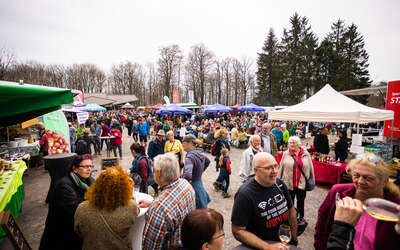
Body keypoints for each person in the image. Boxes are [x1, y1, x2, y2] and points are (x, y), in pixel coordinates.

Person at [314, 153, 400, 250]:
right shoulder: (338, 192)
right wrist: (319, 245)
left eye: (368, 178)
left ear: (384, 181)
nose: (360, 181)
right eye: (356, 175)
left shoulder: (395, 205)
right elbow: (322, 220)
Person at [231, 152, 298, 250]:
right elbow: (238, 231)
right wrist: (267, 247)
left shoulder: (279, 184)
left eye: (276, 166)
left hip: (284, 243)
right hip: (261, 246)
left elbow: (291, 212)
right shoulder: (244, 194)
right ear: (256, 170)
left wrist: (294, 240)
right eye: (268, 168)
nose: (274, 171)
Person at [138, 153, 196, 250]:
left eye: (154, 170)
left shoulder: (158, 210)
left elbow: (150, 247)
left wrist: (155, 206)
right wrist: (153, 203)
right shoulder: (185, 184)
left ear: (159, 173)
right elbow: (175, 208)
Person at [74, 166, 139, 250]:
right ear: (124, 186)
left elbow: (78, 231)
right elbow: (136, 211)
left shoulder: (82, 208)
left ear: (97, 184)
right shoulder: (131, 207)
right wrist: (130, 191)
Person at [39, 154, 95, 250]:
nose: (89, 169)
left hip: (73, 230)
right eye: (85, 166)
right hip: (60, 235)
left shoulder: (87, 181)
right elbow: (77, 209)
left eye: (91, 166)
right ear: (75, 168)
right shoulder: (64, 186)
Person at [278, 136, 315, 222]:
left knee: (301, 202)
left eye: (293, 143)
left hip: (301, 183)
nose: (291, 144)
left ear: (298, 144)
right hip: (288, 183)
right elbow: (281, 167)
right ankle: (289, 218)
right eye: (290, 143)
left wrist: (311, 179)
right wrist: (278, 180)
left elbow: (310, 167)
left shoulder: (305, 154)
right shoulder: (286, 154)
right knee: (289, 202)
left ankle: (300, 218)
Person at [181, 134, 211, 208]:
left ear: (190, 143)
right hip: (198, 181)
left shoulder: (189, 157)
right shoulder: (199, 152)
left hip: (193, 185)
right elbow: (208, 161)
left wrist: (182, 185)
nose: (182, 145)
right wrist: (200, 171)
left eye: (183, 143)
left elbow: (187, 175)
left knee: (197, 209)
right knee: (202, 204)